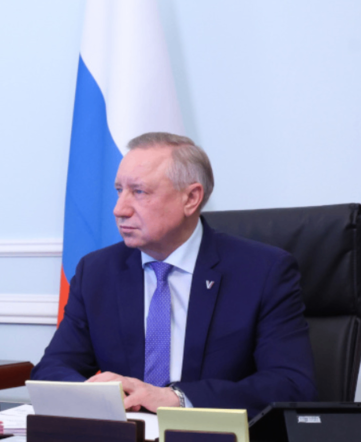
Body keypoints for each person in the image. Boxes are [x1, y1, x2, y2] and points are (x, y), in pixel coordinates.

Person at [32, 132, 316, 417]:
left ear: (191, 198)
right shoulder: (97, 271)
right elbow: (53, 370)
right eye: (119, 190)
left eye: (139, 192)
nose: (119, 209)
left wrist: (177, 399)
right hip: (124, 437)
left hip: (213, 438)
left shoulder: (262, 271)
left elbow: (291, 385)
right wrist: (101, 396)